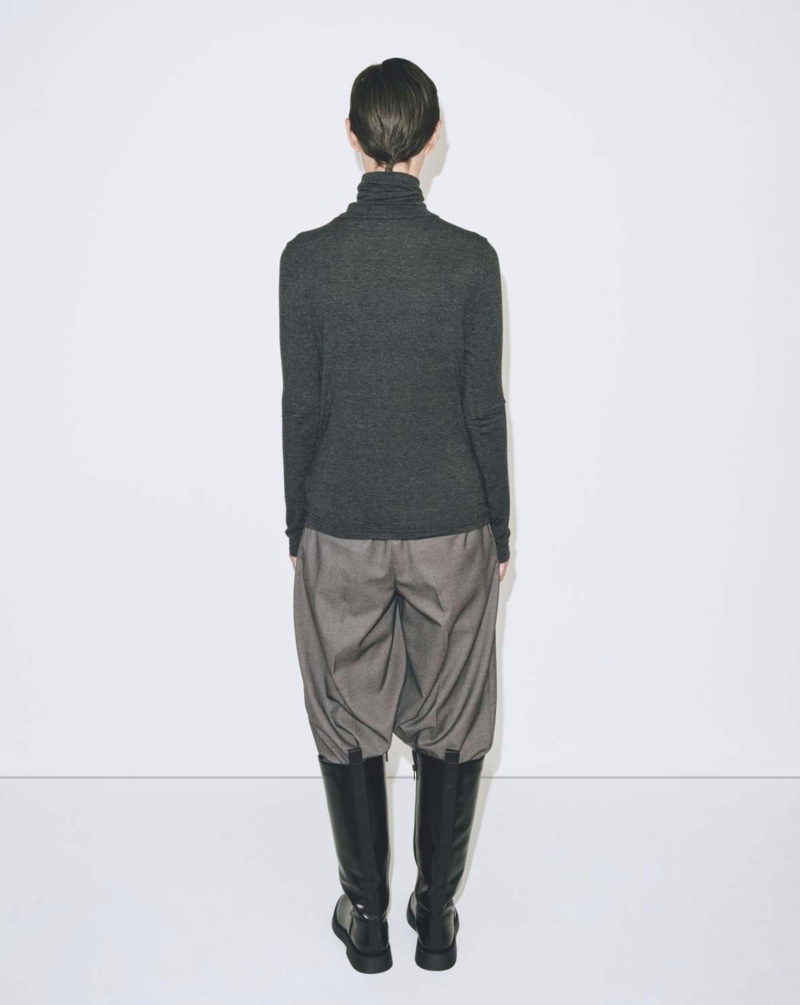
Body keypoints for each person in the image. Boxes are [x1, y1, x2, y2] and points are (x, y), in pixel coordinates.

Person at [279, 57, 510, 974]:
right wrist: (501, 528)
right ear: (432, 134)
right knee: (454, 715)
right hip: (453, 521)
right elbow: (483, 407)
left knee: (346, 716)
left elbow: (302, 405)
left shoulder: (306, 260)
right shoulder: (470, 260)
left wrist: (297, 523)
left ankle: (368, 917)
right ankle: (436, 919)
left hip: (340, 519)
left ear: (352, 136)